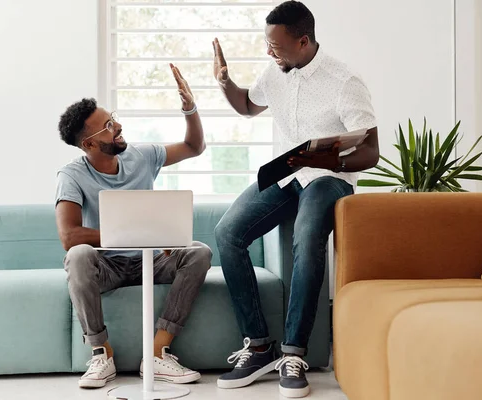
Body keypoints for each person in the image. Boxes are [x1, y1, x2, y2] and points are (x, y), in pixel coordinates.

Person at [212, 1, 379, 398]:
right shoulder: (277, 70)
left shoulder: (344, 81)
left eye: (277, 46)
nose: (270, 53)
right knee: (228, 233)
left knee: (306, 240)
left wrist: (329, 159)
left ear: (303, 41)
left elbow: (371, 152)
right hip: (286, 175)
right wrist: (224, 81)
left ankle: (293, 352)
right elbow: (249, 106)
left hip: (327, 178)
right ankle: (258, 345)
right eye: (268, 45)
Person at [55, 64, 212, 389]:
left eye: (113, 118)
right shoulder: (71, 175)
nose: (118, 126)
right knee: (79, 255)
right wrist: (138, 231)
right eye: (108, 126)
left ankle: (157, 352)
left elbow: (194, 147)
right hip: (108, 265)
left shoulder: (141, 156)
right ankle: (101, 354)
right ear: (89, 145)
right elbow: (69, 236)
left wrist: (189, 108)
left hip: (151, 260)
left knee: (199, 251)